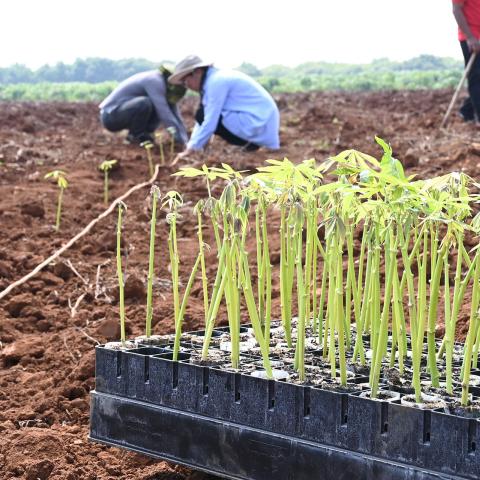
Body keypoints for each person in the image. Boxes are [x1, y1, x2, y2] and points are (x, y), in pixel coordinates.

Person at [168, 55, 280, 164]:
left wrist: (191, 149)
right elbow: (202, 121)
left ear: (197, 72)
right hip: (259, 123)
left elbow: (209, 121)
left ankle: (252, 144)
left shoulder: (216, 82)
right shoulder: (213, 80)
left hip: (258, 123)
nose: (186, 85)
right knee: (202, 115)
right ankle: (251, 144)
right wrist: (192, 146)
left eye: (185, 81)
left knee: (204, 116)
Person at [99, 64, 188, 145]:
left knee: (154, 104)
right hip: (110, 116)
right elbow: (164, 113)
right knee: (146, 103)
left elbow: (175, 114)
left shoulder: (164, 86)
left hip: (124, 111)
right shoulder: (155, 81)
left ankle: (145, 135)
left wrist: (184, 139)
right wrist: (178, 137)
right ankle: (135, 136)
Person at [453, 0, 480, 123]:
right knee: (476, 77)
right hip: (472, 38)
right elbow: (456, 10)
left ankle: (466, 111)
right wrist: (470, 37)